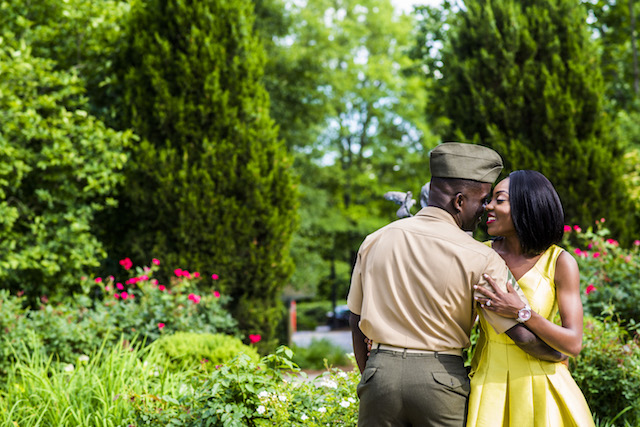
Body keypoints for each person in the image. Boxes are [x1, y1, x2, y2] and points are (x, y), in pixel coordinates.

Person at [347, 143, 566, 427]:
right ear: (460, 202)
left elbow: (355, 318)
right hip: (440, 381)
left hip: (380, 375)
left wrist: (371, 375)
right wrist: (557, 354)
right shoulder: (482, 257)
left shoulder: (376, 239)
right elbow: (519, 336)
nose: (486, 209)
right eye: (484, 199)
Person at [469, 170, 594, 426]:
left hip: (543, 385)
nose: (488, 206)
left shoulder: (559, 262)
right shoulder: (478, 255)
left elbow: (573, 343)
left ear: (527, 205)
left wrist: (521, 311)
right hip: (488, 383)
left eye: (499, 199)